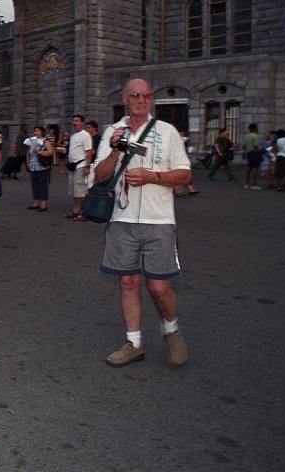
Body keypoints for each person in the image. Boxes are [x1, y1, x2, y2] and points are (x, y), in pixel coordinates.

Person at [93, 79, 192, 368]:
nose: (141, 100)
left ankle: (171, 329)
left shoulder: (166, 131)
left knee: (158, 287)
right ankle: (133, 343)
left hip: (158, 219)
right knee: (128, 281)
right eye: (134, 95)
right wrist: (114, 150)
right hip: (121, 218)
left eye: (146, 95)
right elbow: (100, 176)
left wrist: (154, 177)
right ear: (124, 99)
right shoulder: (112, 131)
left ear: (151, 100)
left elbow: (185, 175)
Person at [66, 115, 94, 220]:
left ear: (82, 123)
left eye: (77, 121)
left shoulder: (85, 135)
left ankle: (84, 212)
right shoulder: (73, 135)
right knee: (74, 190)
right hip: (72, 166)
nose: (74, 123)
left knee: (81, 190)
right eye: (73, 121)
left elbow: (89, 151)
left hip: (81, 165)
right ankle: (75, 211)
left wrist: (87, 166)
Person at [24, 126, 52, 211]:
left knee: (42, 184)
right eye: (35, 131)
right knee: (34, 184)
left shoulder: (45, 141)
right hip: (33, 166)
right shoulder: (31, 141)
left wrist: (39, 152)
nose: (36, 133)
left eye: (38, 131)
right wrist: (28, 163)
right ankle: (36, 202)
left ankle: (43, 203)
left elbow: (50, 152)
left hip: (42, 166)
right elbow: (28, 153)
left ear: (42, 132)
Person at [243, 123, 262, 190]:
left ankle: (246, 184)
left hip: (249, 153)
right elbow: (255, 146)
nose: (257, 129)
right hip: (254, 153)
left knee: (249, 168)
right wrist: (259, 153)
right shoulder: (255, 136)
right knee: (255, 169)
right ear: (254, 129)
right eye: (256, 127)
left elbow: (244, 146)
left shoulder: (247, 136)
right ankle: (254, 185)